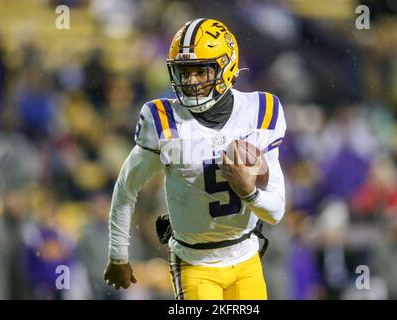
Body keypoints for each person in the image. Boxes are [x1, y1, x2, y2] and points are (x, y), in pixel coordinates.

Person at [104, 18, 287, 300]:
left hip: (246, 258)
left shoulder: (260, 112)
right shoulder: (164, 122)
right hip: (195, 263)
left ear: (226, 67)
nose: (191, 82)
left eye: (201, 71)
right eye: (184, 72)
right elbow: (126, 188)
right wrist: (118, 255)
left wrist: (249, 192)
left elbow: (275, 212)